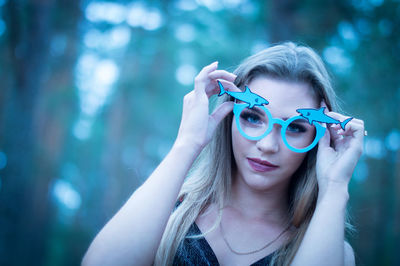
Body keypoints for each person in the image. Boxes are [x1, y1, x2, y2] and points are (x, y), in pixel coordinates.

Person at [82, 42, 364, 266]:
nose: (267, 145)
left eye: (295, 128)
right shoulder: (165, 215)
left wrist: (336, 187)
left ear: (318, 137)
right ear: (229, 116)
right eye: (253, 118)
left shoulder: (330, 249)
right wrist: (187, 144)